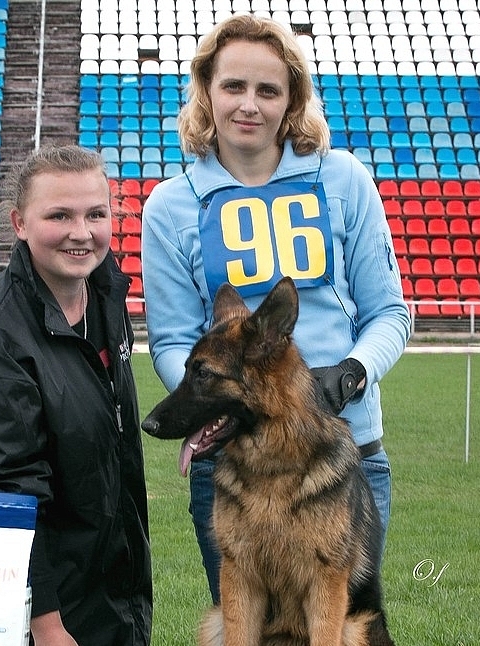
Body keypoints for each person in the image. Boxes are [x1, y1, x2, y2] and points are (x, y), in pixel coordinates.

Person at [141, 14, 411, 604]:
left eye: (268, 90)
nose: (249, 105)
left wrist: (351, 373)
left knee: (344, 638)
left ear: (292, 100)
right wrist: (220, 402)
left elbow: (390, 313)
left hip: (343, 451)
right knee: (246, 644)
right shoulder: (170, 205)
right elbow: (172, 341)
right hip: (233, 464)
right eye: (233, 86)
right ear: (206, 91)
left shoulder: (344, 178)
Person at [0, 144, 153, 646]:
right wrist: (44, 624)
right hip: (8, 616)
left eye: (96, 214)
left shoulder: (105, 296)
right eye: (59, 215)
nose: (82, 233)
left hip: (105, 599)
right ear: (20, 224)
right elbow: (1, 494)